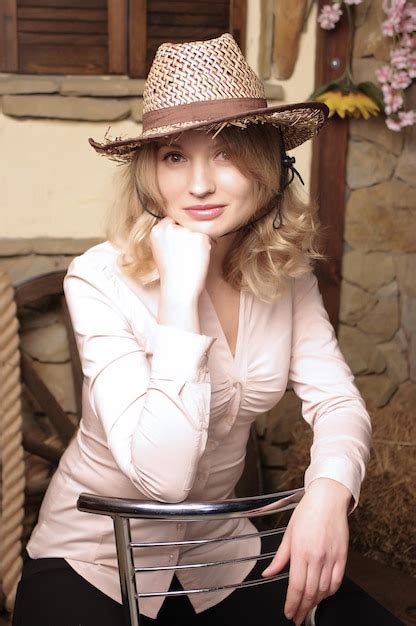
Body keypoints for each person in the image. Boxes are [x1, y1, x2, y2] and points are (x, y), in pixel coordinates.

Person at [13, 33, 403, 626]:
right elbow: (164, 480)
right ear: (150, 172)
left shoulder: (286, 275)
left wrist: (328, 494)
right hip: (93, 556)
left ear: (267, 163)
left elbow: (339, 403)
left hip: (217, 553)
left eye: (224, 153)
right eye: (174, 156)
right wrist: (177, 296)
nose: (198, 184)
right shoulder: (97, 277)